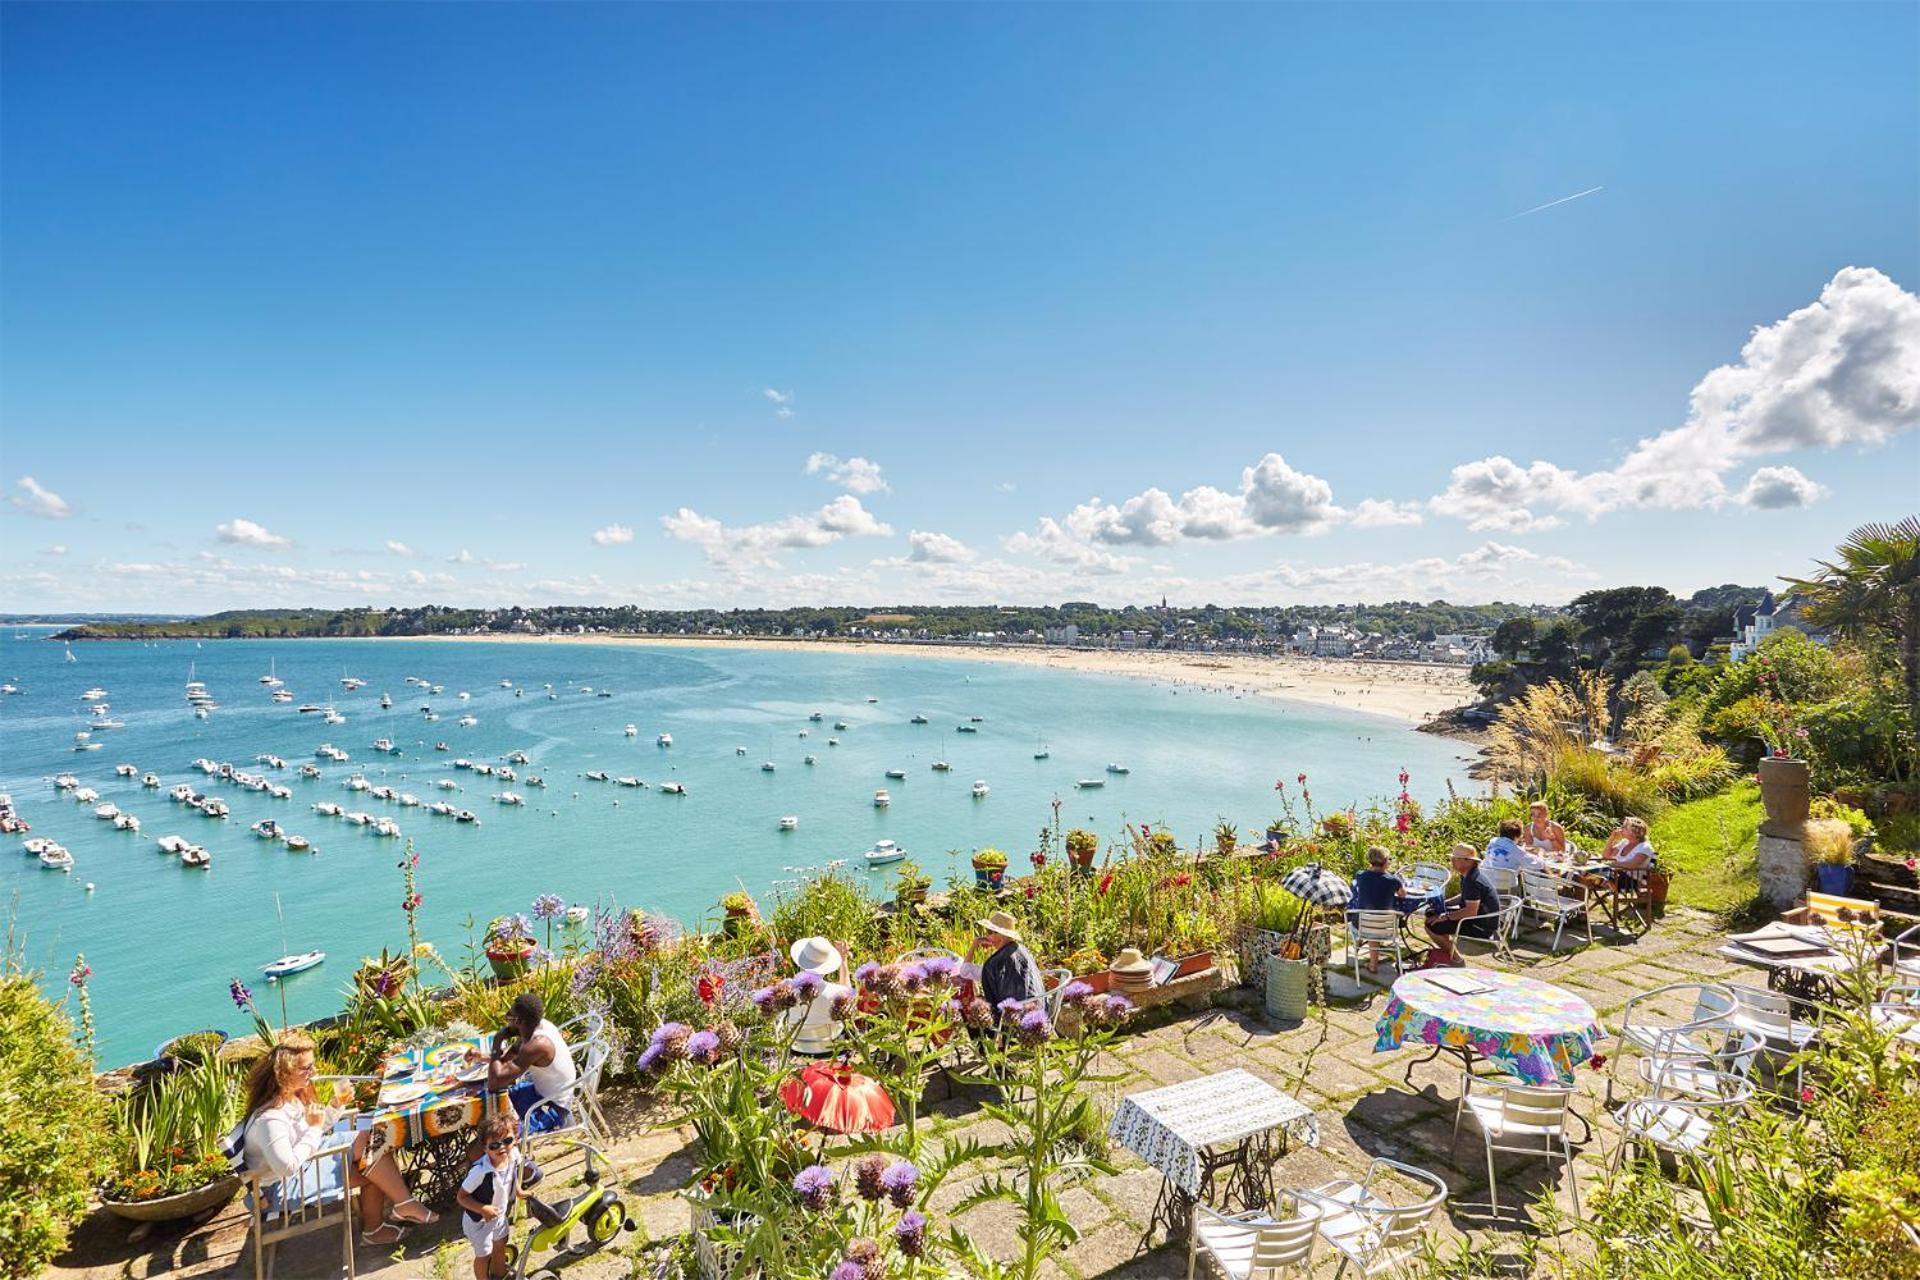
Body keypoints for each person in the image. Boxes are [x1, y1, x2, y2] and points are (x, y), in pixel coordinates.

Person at [240, 1032, 437, 1246]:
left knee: (375, 1140)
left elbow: (311, 1134)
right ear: (285, 1073)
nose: (313, 1072)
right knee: (374, 1168)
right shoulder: (271, 1120)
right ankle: (378, 1226)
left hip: (307, 1160)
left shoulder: (290, 1098)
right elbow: (286, 1167)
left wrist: (335, 1106)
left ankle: (402, 1204)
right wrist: (314, 1128)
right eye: (306, 1068)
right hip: (283, 1186)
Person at [476, 992, 577, 1136]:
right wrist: (481, 1057)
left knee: (499, 1135)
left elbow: (495, 1083)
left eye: (509, 1016)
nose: (506, 1019)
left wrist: (497, 1041)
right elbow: (507, 1059)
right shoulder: (536, 1028)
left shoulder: (537, 1045)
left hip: (552, 1107)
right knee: (484, 1100)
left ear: (518, 1021)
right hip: (541, 1092)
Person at [456, 1115, 523, 1280]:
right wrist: (482, 1208)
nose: (502, 1148)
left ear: (516, 1139)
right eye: (494, 1145)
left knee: (501, 1244)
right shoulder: (480, 1171)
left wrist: (519, 1191)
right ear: (485, 1148)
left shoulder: (513, 1155)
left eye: (507, 1140)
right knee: (484, 1255)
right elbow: (462, 1197)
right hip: (478, 1221)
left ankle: (499, 1274)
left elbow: (511, 1176)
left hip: (498, 1214)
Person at [1420, 843, 1501, 968]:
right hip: (1478, 917)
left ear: (1467, 861)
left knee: (1431, 925)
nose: (1452, 861)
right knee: (1431, 912)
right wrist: (1445, 904)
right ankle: (1448, 952)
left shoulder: (1472, 881)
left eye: (1455, 858)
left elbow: (1470, 912)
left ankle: (1457, 960)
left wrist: (1445, 916)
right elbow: (1464, 897)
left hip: (1481, 925)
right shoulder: (1468, 874)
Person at [784, 935, 855, 1055]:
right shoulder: (835, 993)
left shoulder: (786, 988)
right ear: (827, 964)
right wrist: (843, 960)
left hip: (796, 1050)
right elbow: (848, 997)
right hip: (831, 1050)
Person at [1346, 846, 1405, 974]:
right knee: (1376, 918)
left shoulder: (1361, 876)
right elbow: (1402, 895)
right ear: (1385, 862)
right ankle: (1373, 965)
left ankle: (1360, 942)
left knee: (1368, 914)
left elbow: (1366, 879)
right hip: (1385, 926)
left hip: (1361, 923)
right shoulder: (1393, 880)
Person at [967, 910, 1043, 1009]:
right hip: (1038, 1007)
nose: (986, 936)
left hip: (1018, 1015)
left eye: (989, 932)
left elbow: (965, 971)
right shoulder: (1019, 950)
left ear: (1001, 936)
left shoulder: (999, 962)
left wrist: (974, 945)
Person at [1601, 816, 1657, 887]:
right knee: (1587, 872)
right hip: (1616, 875)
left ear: (1634, 832)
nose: (1621, 828)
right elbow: (1606, 856)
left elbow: (1632, 865)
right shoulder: (1624, 842)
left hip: (1629, 880)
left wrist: (1611, 864)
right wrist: (1612, 839)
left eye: (1624, 827)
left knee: (1589, 875)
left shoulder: (1645, 847)